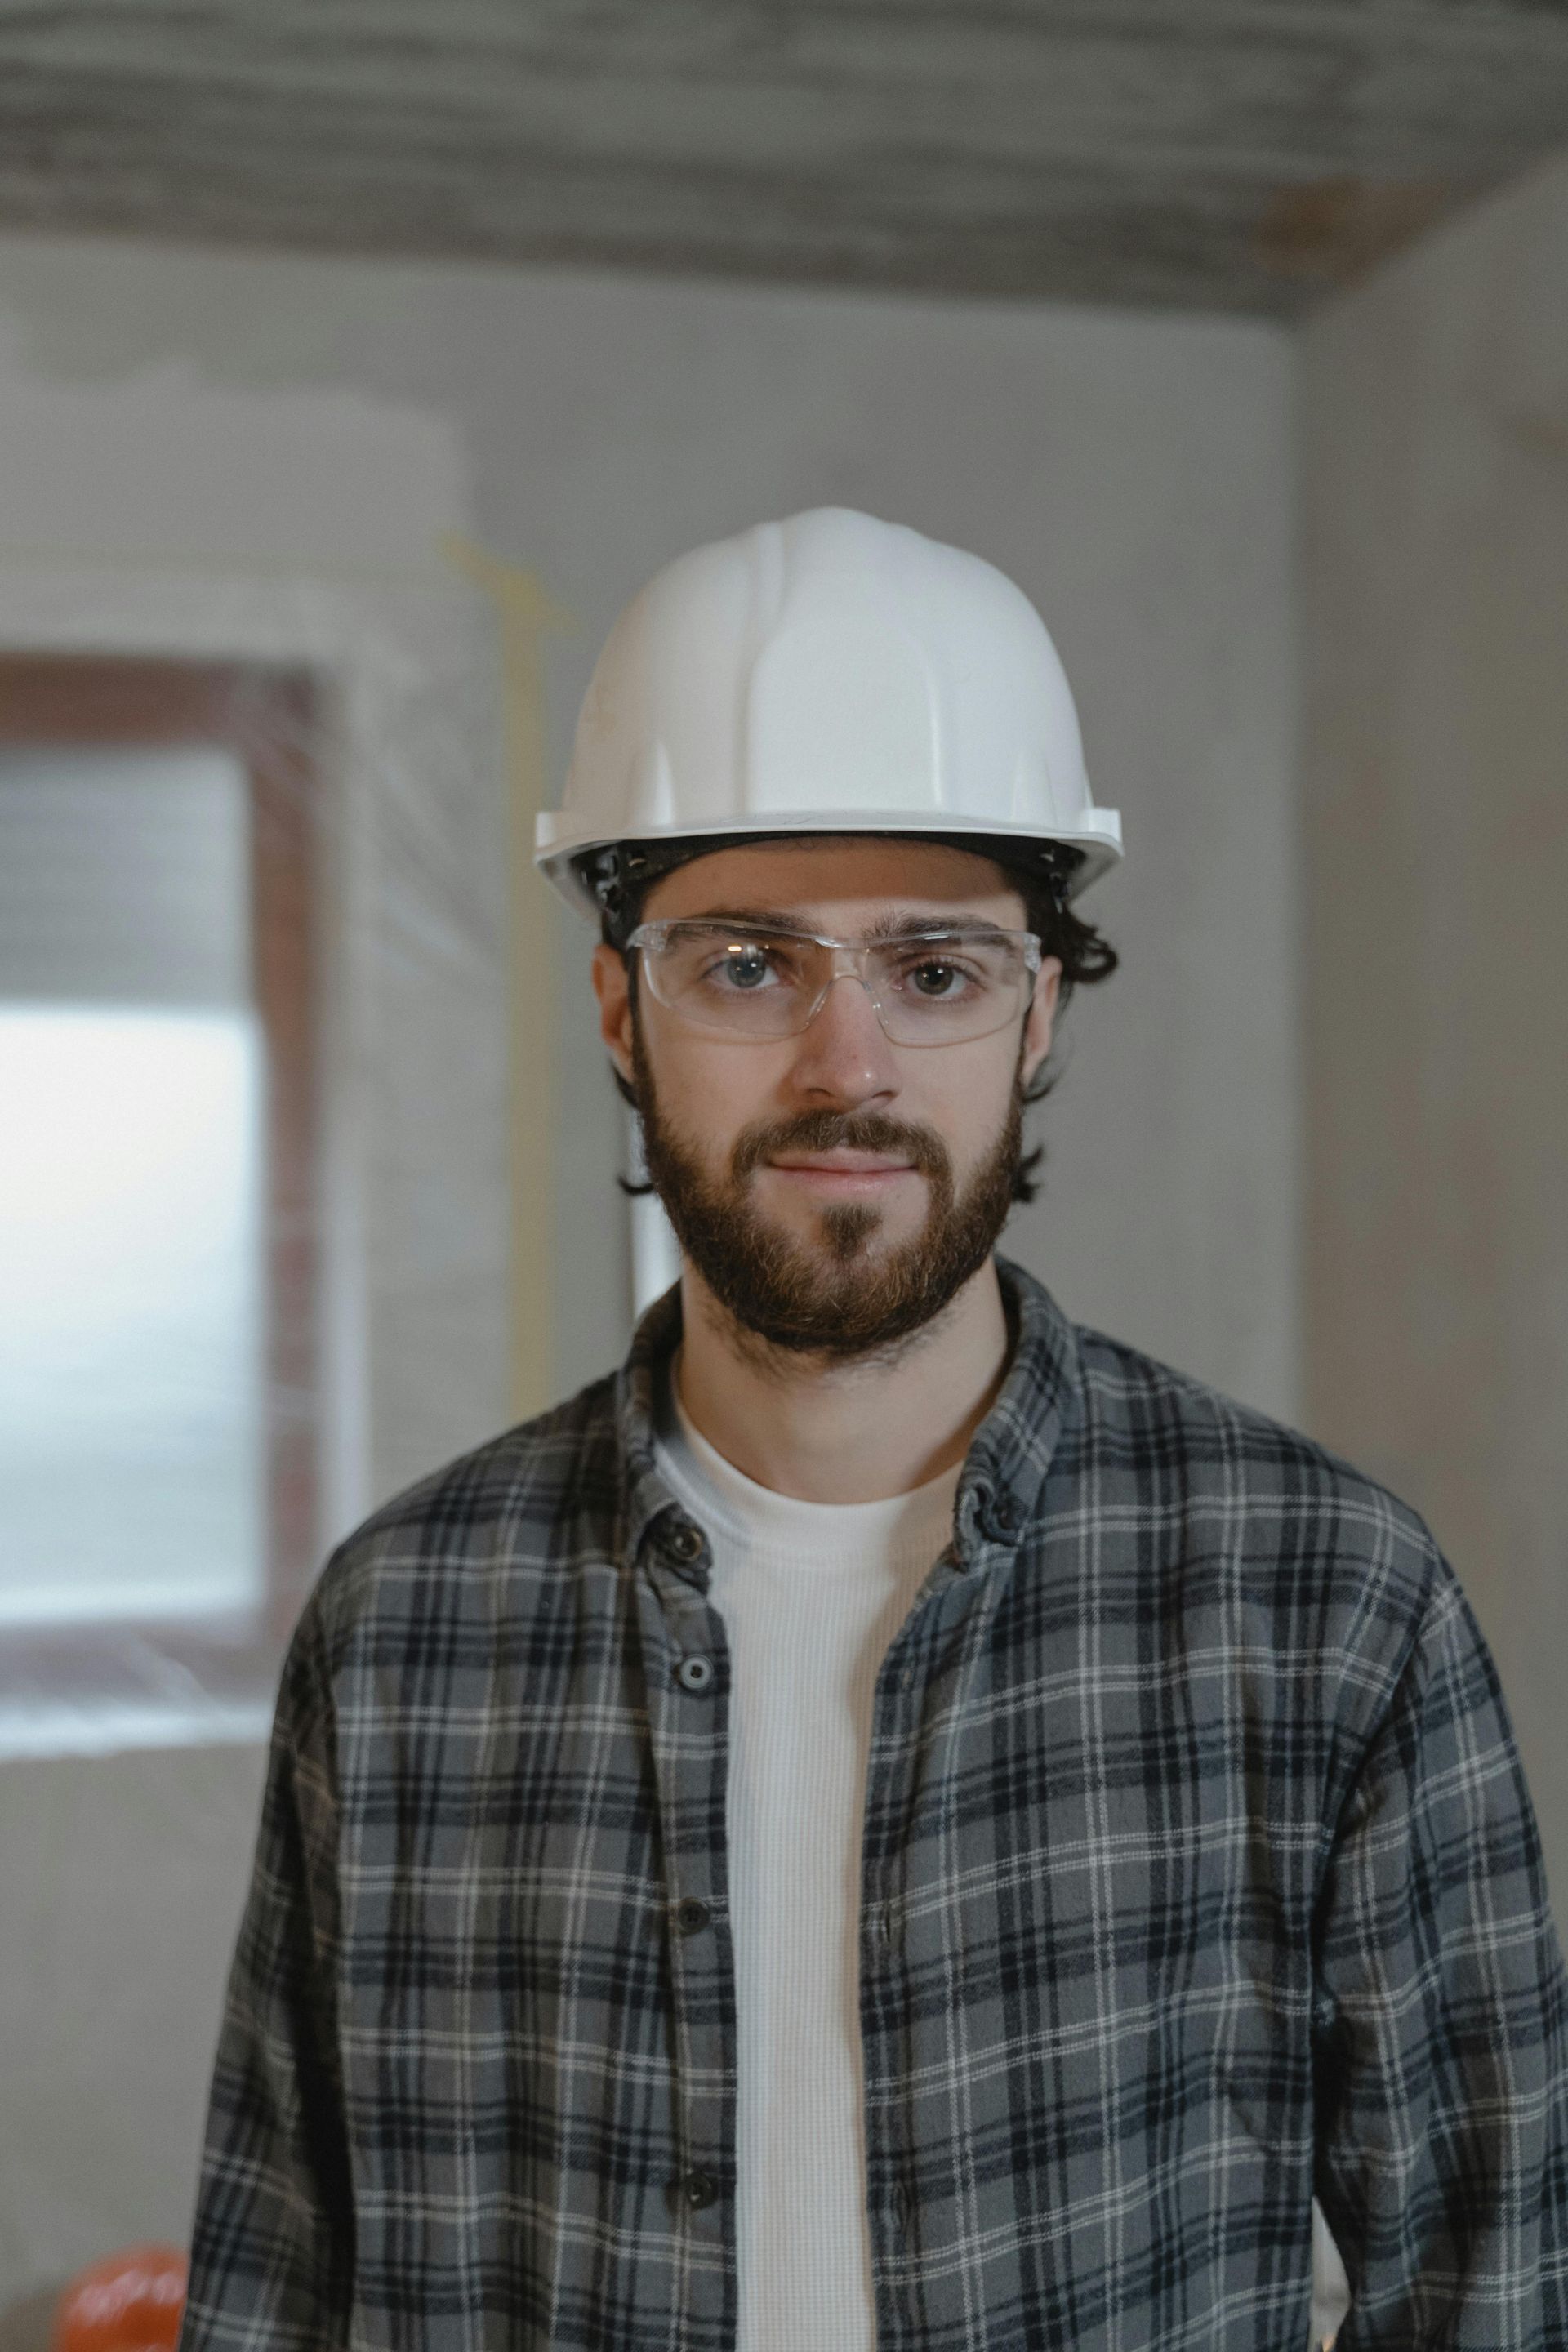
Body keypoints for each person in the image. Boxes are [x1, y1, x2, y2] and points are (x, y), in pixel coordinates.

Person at [179, 509, 1568, 2351]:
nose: (848, 1063)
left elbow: (1488, 2293)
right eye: (748, 964)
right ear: (621, 1008)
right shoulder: (407, 1625)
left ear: (1038, 1015)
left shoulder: (1322, 1602)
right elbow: (275, 2290)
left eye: (935, 969)